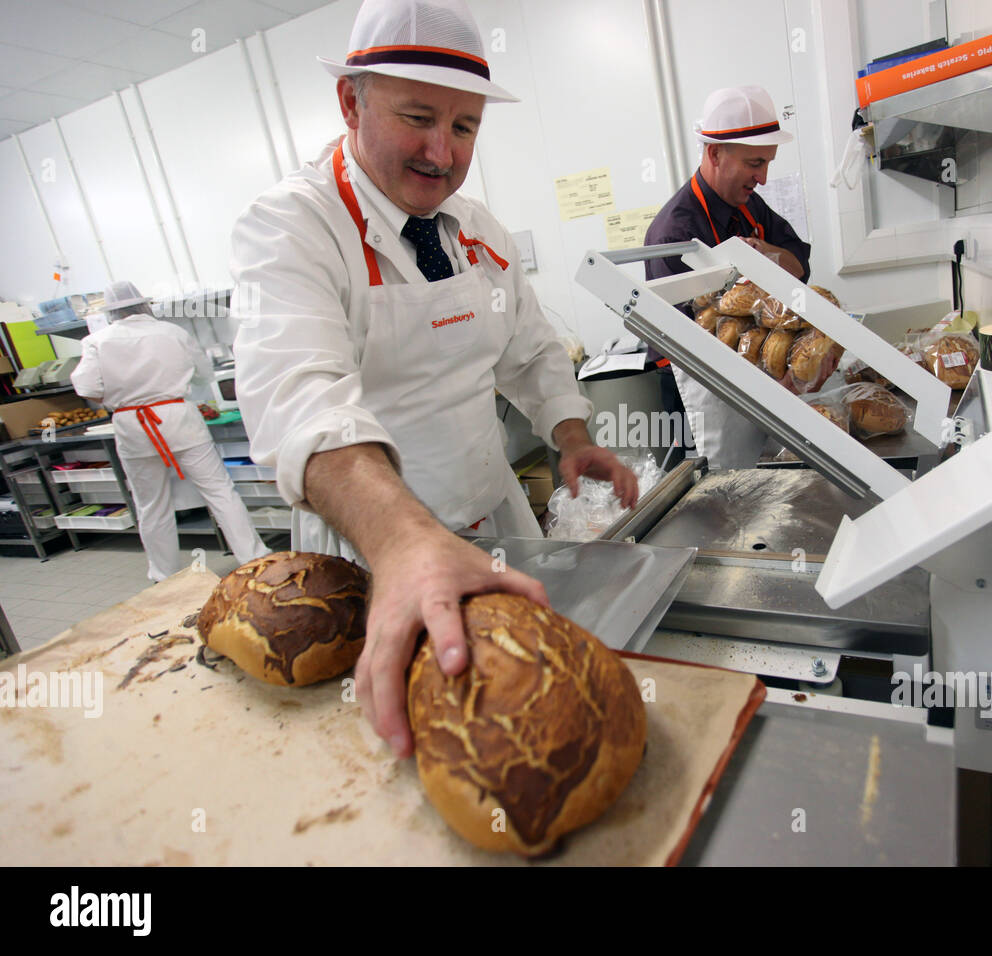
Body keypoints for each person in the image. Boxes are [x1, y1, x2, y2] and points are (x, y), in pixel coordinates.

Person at [229, 0, 637, 758]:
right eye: (418, 117)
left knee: (518, 725)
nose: (441, 153)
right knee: (401, 751)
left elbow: (532, 349)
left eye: (464, 127)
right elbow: (300, 399)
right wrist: (407, 542)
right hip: (373, 552)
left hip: (498, 517)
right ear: (350, 101)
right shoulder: (291, 228)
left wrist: (571, 435)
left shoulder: (476, 229)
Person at [643, 86, 812, 471]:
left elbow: (800, 262)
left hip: (756, 380)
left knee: (760, 482)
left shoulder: (749, 205)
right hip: (699, 397)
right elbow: (695, 342)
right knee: (712, 501)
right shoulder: (674, 233)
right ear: (715, 152)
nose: (764, 178)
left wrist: (766, 254)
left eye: (768, 163)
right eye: (755, 163)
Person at [70, 281, 270, 582]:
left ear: (112, 313)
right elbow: (203, 373)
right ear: (143, 304)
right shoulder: (173, 332)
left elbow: (86, 388)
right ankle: (254, 557)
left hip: (132, 423)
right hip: (179, 417)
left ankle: (164, 575)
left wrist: (122, 393)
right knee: (219, 491)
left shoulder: (97, 341)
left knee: (152, 504)